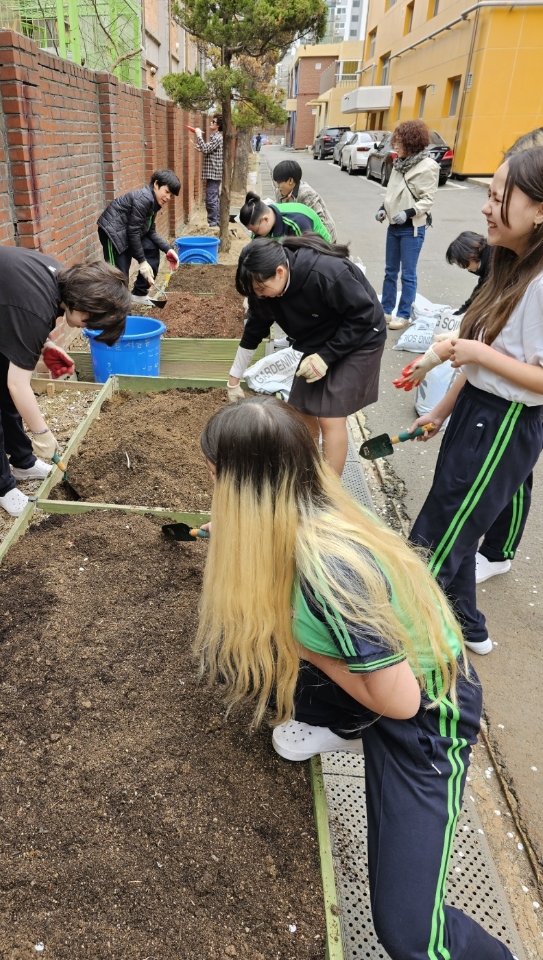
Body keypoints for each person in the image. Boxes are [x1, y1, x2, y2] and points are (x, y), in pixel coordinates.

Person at [195, 395, 515, 960]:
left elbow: (401, 700)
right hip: (390, 688)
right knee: (237, 657)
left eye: (219, 477)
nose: (214, 487)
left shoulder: (329, 571)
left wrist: (299, 648)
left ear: (247, 486)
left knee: (410, 932)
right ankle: (341, 720)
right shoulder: (312, 502)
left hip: (425, 720)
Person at [406, 145, 543, 655]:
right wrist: (440, 411)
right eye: (486, 194)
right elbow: (484, 359)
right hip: (474, 414)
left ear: (539, 210)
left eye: (499, 197)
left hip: (505, 423)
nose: (486, 207)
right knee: (454, 525)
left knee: (433, 543)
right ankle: (468, 628)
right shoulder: (507, 265)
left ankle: (397, 671)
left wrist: (468, 348)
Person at [0, 247, 130, 517]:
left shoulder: (60, 281)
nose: (85, 327)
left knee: (5, 401)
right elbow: (18, 384)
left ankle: (23, 462)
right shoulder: (36, 303)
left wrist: (46, 346)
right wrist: (43, 435)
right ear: (83, 303)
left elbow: (20, 318)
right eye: (92, 321)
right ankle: (1, 487)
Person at [228, 235, 386, 476]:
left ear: (280, 272)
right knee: (302, 409)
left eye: (261, 288)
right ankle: (307, 474)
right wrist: (234, 379)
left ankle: (330, 493)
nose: (259, 294)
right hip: (318, 339)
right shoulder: (263, 291)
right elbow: (254, 331)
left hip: (361, 336)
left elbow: (363, 316)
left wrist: (326, 357)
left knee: (330, 416)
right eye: (254, 291)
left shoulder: (325, 273)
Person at [375, 119, 438, 331]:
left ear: (411, 143)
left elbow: (427, 200)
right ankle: (385, 310)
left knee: (408, 274)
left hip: (412, 228)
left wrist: (409, 213)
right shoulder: (399, 164)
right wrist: (383, 208)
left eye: (400, 142)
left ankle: (403, 315)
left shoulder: (428, 167)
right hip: (393, 226)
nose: (396, 146)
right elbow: (391, 193)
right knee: (390, 271)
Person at [97, 170, 180, 307]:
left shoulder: (154, 203)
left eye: (171, 195)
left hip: (127, 232)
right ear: (156, 184)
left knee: (152, 249)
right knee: (118, 277)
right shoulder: (144, 199)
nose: (168, 197)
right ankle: (121, 315)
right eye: (167, 192)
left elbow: (149, 231)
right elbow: (133, 232)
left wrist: (168, 250)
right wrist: (142, 262)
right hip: (113, 234)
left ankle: (139, 293)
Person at [272, 159, 338, 241]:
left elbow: (320, 221)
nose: (277, 186)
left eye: (279, 183)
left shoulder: (306, 194)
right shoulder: (279, 192)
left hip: (324, 236)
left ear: (290, 181)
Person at [238, 191, 331, 242]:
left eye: (255, 231)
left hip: (320, 247)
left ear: (265, 219)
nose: (255, 234)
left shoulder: (297, 222)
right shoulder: (264, 218)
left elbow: (307, 255)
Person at [446, 231, 492, 315]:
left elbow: (483, 291)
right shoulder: (486, 261)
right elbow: (480, 289)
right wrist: (462, 311)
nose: (464, 268)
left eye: (461, 263)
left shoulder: (493, 265)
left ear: (470, 255)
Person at [191, 116, 224, 228]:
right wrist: (201, 147)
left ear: (218, 125)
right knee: (213, 198)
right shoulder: (215, 137)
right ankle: (217, 221)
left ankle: (213, 223)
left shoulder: (217, 137)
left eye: (213, 121)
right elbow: (207, 149)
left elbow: (206, 149)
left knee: (211, 199)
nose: (211, 122)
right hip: (213, 173)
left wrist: (199, 134)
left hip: (214, 174)